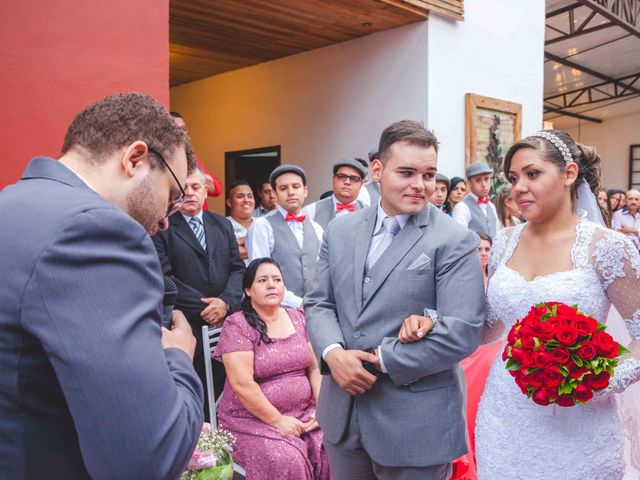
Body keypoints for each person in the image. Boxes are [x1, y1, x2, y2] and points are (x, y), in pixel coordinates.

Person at [0, 92, 204, 479]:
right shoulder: (98, 232)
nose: (165, 220)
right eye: (172, 196)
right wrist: (178, 356)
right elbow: (149, 461)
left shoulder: (13, 202)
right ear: (135, 159)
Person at [305, 120, 486, 479]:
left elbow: (463, 330)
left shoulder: (454, 239)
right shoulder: (340, 230)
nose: (420, 185)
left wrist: (382, 358)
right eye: (406, 172)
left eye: (429, 174)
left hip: (416, 426)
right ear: (377, 170)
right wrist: (333, 354)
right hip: (342, 415)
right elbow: (319, 302)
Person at [474, 129, 640, 479]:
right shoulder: (503, 243)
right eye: (514, 178)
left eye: (532, 174)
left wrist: (598, 379)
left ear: (568, 174)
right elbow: (489, 327)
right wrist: (433, 318)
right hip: (505, 414)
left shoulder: (606, 246)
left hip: (579, 418)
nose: (519, 187)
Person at [214, 258, 332, 480]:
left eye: (277, 280)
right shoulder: (237, 325)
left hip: (303, 411)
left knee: (331, 444)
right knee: (286, 459)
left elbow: (315, 368)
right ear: (248, 290)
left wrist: (321, 407)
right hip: (250, 419)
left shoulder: (297, 317)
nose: (271, 285)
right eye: (263, 280)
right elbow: (242, 384)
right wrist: (277, 420)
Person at [153, 168, 245, 419]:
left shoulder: (222, 224)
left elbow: (238, 268)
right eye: (184, 188)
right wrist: (207, 307)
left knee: (228, 383)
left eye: (195, 187)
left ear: (206, 190)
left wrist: (225, 302)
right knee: (196, 388)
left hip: (226, 323)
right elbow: (164, 277)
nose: (189, 193)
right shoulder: (162, 228)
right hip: (189, 324)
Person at [246, 164, 323, 308]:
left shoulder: (316, 228)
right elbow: (260, 276)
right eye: (283, 188)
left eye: (296, 186)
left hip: (314, 310)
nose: (291, 192)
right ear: (274, 194)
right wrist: (298, 303)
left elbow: (322, 272)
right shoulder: (262, 226)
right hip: (277, 311)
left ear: (305, 191)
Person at [170, 111, 223, 206]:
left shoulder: (191, 157)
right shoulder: (160, 159)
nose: (182, 133)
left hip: (199, 216)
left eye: (184, 129)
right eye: (176, 130)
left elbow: (216, 189)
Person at [303, 158, 366, 229]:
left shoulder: (369, 213)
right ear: (333, 179)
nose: (347, 182)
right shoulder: (311, 211)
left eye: (354, 178)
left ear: (361, 184)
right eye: (342, 176)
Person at [453, 163, 500, 237]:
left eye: (486, 179)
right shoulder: (462, 207)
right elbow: (459, 238)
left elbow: (498, 234)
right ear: (469, 183)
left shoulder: (492, 206)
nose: (484, 185)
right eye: (478, 180)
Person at [226, 180, 255, 265]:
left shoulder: (264, 224)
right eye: (240, 196)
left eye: (250, 196)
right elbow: (222, 253)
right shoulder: (221, 225)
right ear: (229, 202)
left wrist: (240, 242)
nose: (246, 200)